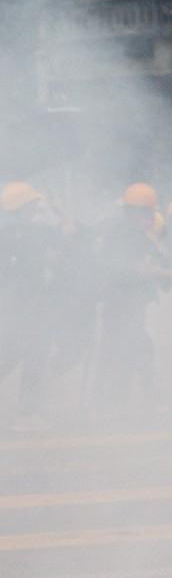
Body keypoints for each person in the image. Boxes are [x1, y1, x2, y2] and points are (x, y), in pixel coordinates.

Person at [94, 183, 172, 415]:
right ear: (136, 211)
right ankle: (126, 398)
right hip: (121, 302)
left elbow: (152, 264)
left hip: (129, 302)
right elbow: (133, 268)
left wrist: (164, 272)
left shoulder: (134, 234)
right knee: (132, 348)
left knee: (126, 348)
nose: (151, 216)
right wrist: (168, 274)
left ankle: (114, 397)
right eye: (149, 211)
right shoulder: (123, 234)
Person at [0, 182, 62, 431]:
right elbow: (62, 235)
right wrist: (57, 213)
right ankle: (28, 414)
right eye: (33, 205)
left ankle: (29, 412)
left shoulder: (9, 229)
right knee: (32, 354)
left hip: (17, 305)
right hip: (26, 305)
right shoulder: (23, 231)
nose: (36, 209)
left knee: (12, 355)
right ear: (23, 206)